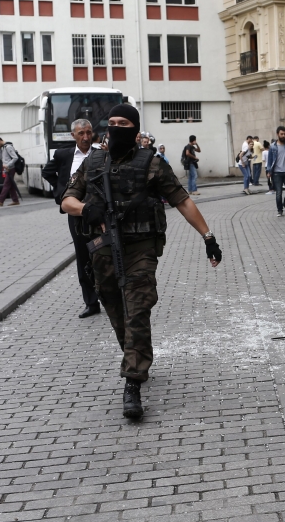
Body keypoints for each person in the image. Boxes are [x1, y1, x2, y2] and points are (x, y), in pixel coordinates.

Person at [60, 104, 222, 419]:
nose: (116, 127)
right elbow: (67, 199)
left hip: (140, 249)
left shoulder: (152, 164)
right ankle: (136, 355)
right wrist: (85, 210)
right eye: (112, 123)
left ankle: (132, 382)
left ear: (134, 130)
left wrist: (208, 237)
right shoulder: (93, 162)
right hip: (102, 249)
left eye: (124, 123)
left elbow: (182, 200)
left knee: (137, 310)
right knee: (116, 311)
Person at [41, 119, 102, 319]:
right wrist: (61, 192)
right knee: (83, 257)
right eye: (81, 133)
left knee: (104, 254)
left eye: (89, 133)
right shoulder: (63, 155)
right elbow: (47, 172)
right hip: (76, 214)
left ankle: (111, 297)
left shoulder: (101, 153)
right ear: (73, 135)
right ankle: (91, 303)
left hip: (100, 213)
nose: (86, 137)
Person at [265, 126, 285, 217]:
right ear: (277, 134)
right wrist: (268, 171)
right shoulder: (273, 146)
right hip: (276, 173)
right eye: (281, 134)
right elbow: (270, 160)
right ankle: (280, 210)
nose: (283, 135)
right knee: (278, 192)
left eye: (284, 134)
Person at [0, 137, 21, 206]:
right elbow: (1, 158)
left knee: (6, 185)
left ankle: (0, 201)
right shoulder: (3, 148)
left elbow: (15, 157)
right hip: (7, 169)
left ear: (0, 141)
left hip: (10, 168)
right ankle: (15, 200)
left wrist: (8, 165)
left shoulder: (8, 147)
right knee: (10, 186)